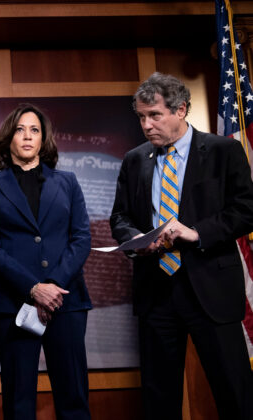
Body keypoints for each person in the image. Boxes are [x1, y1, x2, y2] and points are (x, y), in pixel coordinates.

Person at [110, 72, 253, 419]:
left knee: (235, 395)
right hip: (156, 293)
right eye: (141, 117)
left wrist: (196, 232)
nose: (146, 125)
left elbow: (245, 210)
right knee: (160, 402)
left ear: (181, 110)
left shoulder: (223, 151)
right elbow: (120, 218)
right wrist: (134, 241)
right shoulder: (134, 160)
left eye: (154, 115)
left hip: (211, 291)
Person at [0, 103, 92, 420]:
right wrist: (33, 288)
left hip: (66, 301)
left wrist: (53, 287)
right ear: (8, 138)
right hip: (11, 303)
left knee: (73, 395)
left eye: (34, 130)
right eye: (20, 129)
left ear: (44, 139)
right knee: (18, 400)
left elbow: (81, 238)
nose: (27, 136)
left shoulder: (67, 182)